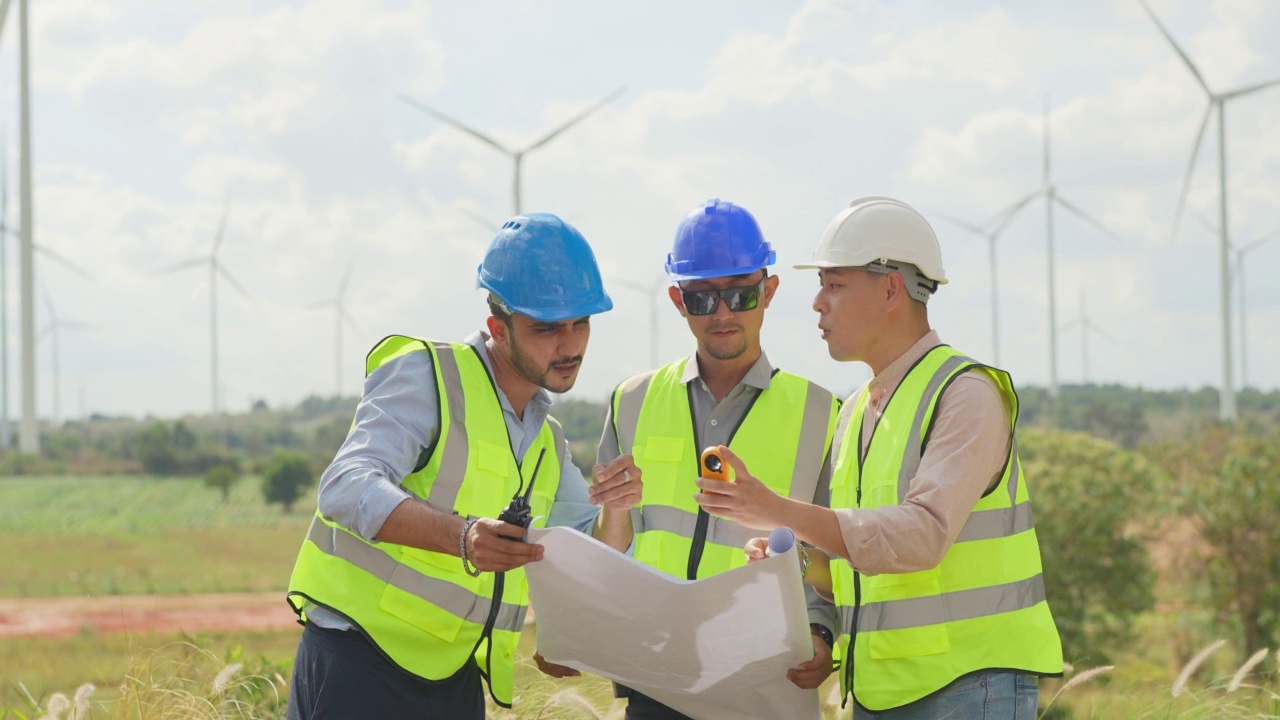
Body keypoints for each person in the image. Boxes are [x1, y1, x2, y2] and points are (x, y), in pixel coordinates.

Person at [694, 196, 1064, 719]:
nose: (818, 303)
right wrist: (792, 558)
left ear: (890, 287)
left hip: (968, 688)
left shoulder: (965, 393)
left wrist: (778, 510)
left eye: (834, 284)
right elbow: (857, 566)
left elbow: (921, 536)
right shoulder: (855, 413)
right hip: (881, 693)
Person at [284, 213, 643, 719]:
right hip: (360, 664)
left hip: (451, 678)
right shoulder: (430, 376)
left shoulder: (547, 440)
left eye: (580, 322)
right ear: (498, 327)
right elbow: (345, 486)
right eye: (546, 328)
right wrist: (463, 535)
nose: (570, 344)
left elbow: (588, 550)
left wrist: (619, 508)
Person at [589, 198, 842, 720]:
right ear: (678, 302)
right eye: (703, 300)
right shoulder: (631, 401)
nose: (722, 314)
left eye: (740, 295)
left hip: (767, 680)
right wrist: (613, 511)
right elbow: (610, 552)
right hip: (656, 680)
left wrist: (820, 633)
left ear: (768, 292)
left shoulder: (824, 414)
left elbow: (834, 555)